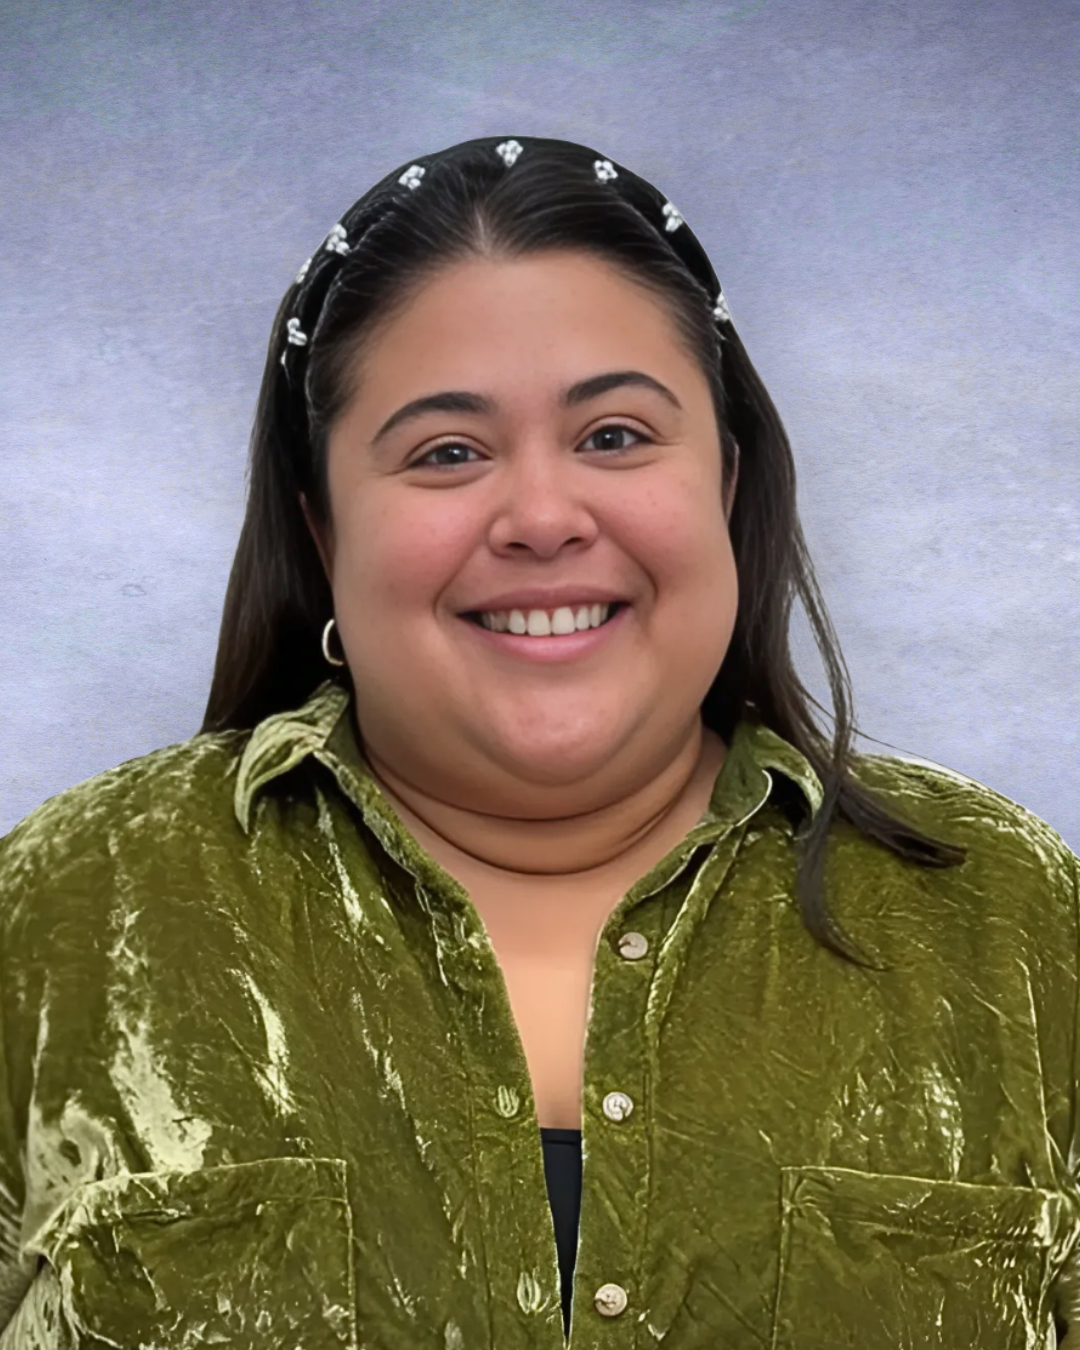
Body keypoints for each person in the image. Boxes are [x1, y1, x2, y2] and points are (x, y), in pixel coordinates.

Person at [0, 133, 1077, 1349]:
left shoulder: (1015, 918)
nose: (544, 519)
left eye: (614, 435)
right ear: (322, 527)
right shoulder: (62, 916)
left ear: (723, 481)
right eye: (446, 452)